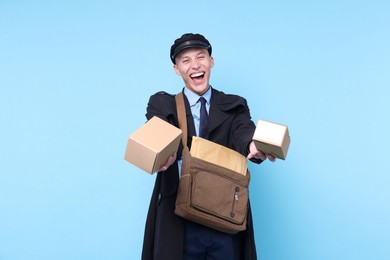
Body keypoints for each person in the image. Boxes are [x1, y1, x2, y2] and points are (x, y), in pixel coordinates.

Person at [141, 33, 276, 260]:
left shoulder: (234, 105)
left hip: (223, 217)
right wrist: (160, 154)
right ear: (176, 69)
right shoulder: (163, 104)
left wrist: (254, 145)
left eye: (200, 57)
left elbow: (243, 132)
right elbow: (157, 133)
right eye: (186, 61)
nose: (195, 65)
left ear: (211, 62)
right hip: (179, 217)